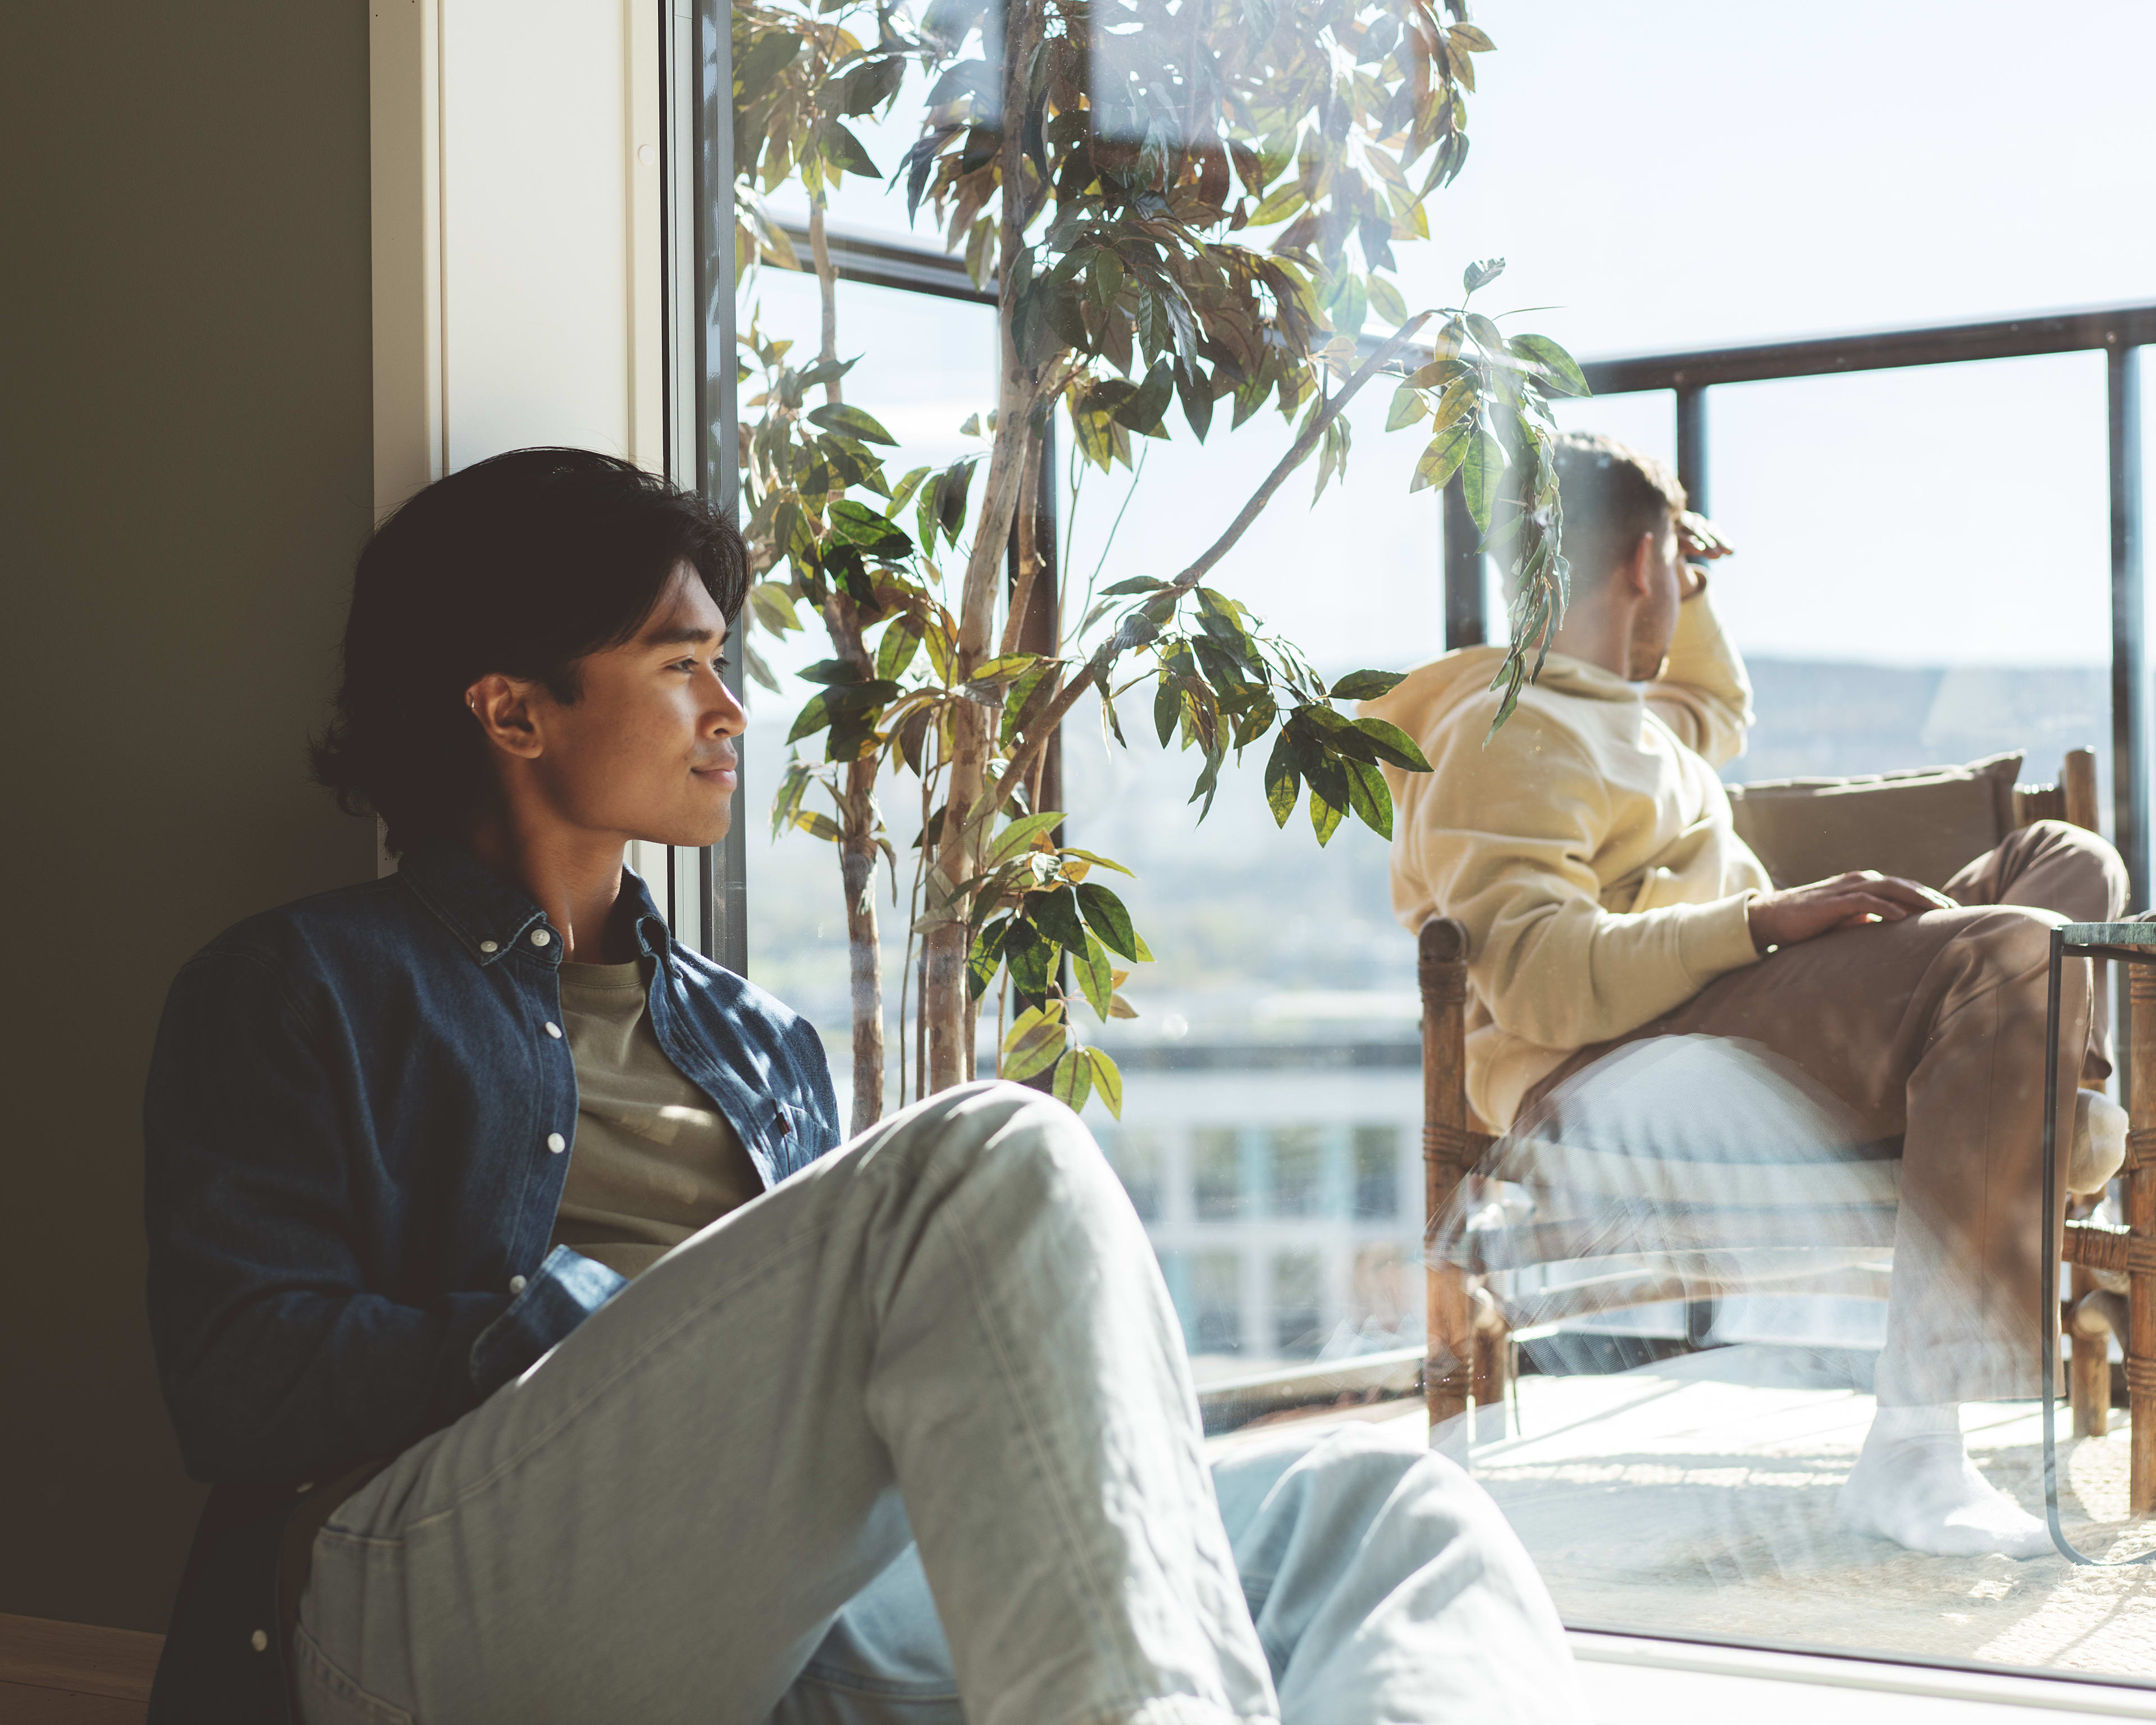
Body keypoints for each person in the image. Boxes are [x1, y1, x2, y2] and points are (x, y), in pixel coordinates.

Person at [142, 448, 1583, 1725]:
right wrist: (574, 1333)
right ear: (514, 713)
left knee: (1390, 1518)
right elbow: (241, 1384)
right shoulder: (303, 987)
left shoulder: (759, 1039)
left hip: (759, 1601)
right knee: (993, 1154)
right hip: (424, 1593)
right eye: (681, 663)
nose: (733, 710)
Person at [1363, 431, 2128, 1563]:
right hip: (1633, 1063)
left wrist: (1682, 571)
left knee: (2064, 861)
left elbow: (1714, 703)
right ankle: (1918, 1452)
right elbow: (1528, 974)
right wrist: (1759, 923)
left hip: (1736, 1015)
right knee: (2017, 947)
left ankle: (2036, 1103)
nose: (1686, 591)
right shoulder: (1505, 726)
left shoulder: (1636, 718)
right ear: (1641, 561)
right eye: (1678, 566)